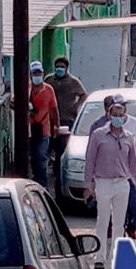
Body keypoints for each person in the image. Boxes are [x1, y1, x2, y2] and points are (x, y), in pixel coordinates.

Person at [84, 100, 136, 269]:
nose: (117, 118)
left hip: (122, 183)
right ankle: (100, 256)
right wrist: (88, 185)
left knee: (119, 222)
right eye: (114, 115)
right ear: (108, 115)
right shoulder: (98, 135)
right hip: (103, 182)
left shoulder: (129, 137)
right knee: (103, 220)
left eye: (121, 115)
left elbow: (133, 165)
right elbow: (90, 161)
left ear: (125, 116)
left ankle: (116, 256)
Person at [44, 56, 86, 196]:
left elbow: (83, 95)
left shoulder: (73, 82)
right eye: (57, 66)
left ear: (66, 68)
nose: (59, 69)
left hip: (66, 119)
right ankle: (51, 169)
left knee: (62, 145)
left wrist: (75, 106)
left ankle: (59, 169)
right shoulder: (49, 80)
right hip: (49, 118)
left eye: (62, 67)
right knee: (50, 144)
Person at [28, 61, 59, 189]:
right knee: (33, 158)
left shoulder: (48, 90)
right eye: (35, 73)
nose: (37, 75)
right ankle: (35, 180)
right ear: (30, 74)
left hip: (44, 129)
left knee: (41, 156)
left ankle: (43, 185)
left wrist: (57, 125)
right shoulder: (27, 89)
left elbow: (54, 109)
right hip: (29, 129)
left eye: (39, 73)